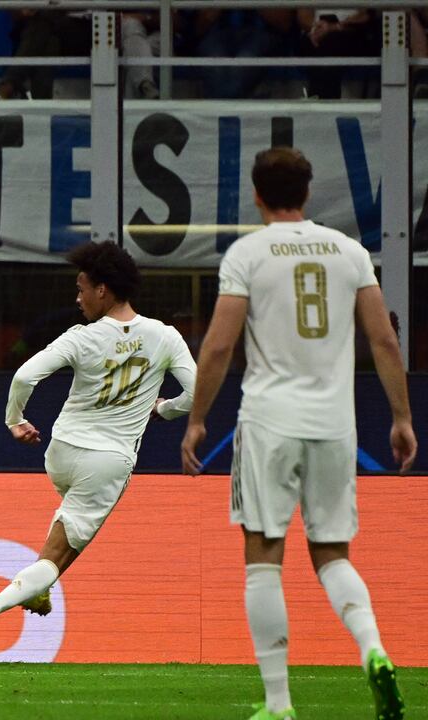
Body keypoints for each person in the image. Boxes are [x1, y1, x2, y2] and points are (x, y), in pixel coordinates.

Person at [180, 148, 416, 720]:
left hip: (269, 423)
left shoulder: (248, 254)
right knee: (333, 554)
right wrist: (403, 417)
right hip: (335, 425)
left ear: (257, 195)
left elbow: (218, 345)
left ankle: (280, 703)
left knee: (263, 558)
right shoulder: (349, 252)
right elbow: (384, 340)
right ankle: (374, 651)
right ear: (308, 193)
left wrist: (196, 418)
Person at [0, 241, 196, 656]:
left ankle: (40, 587)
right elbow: (196, 392)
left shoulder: (80, 338)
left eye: (82, 288)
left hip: (61, 453)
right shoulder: (165, 337)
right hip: (107, 462)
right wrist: (167, 410)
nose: (77, 297)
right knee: (59, 553)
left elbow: (25, 377)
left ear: (103, 290)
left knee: (66, 527)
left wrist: (16, 421)